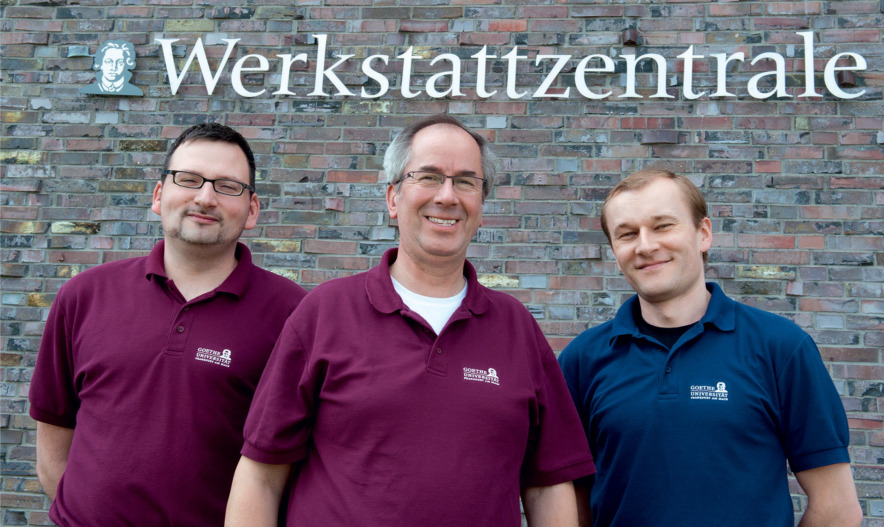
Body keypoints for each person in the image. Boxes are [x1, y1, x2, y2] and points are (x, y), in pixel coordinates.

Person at [225, 114, 595, 526]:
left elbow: (549, 483)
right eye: (430, 177)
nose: (448, 196)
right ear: (393, 198)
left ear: (481, 206)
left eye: (467, 182)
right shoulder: (325, 313)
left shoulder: (516, 328)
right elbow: (261, 475)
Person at [29, 123, 307, 526]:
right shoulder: (85, 295)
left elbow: (293, 460)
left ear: (252, 210)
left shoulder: (293, 314)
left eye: (228, 186)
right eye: (189, 179)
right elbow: (54, 430)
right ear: (159, 195)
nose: (205, 198)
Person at [557, 169, 863, 527]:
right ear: (615, 249)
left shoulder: (780, 347)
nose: (645, 245)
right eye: (627, 234)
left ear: (703, 234)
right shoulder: (582, 360)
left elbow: (838, 508)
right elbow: (568, 504)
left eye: (662, 226)